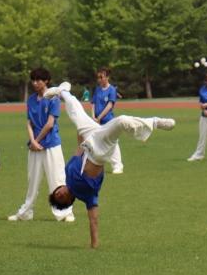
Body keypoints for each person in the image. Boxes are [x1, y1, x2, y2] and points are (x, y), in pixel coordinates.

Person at [45, 82, 175, 248]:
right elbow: (94, 220)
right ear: (69, 202)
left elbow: (78, 150)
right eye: (61, 197)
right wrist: (94, 244)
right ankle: (155, 122)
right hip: (100, 152)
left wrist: (81, 128)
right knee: (121, 121)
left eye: (58, 191)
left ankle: (62, 91)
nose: (61, 192)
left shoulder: (68, 173)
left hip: (89, 138)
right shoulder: (87, 196)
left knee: (75, 111)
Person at [8, 68, 75, 222]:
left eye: (38, 80)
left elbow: (50, 124)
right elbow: (29, 123)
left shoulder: (54, 99)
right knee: (33, 181)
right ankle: (25, 212)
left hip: (51, 145)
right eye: (33, 80)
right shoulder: (31, 99)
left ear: (46, 81)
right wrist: (32, 142)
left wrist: (36, 141)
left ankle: (65, 212)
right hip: (35, 146)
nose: (35, 83)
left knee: (57, 180)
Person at [91, 67, 124, 174]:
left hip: (107, 120)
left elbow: (110, 105)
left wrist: (99, 117)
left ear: (107, 77)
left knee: (112, 142)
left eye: (101, 77)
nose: (99, 79)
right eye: (98, 77)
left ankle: (117, 166)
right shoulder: (97, 89)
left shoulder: (112, 90)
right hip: (96, 122)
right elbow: (93, 103)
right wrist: (93, 117)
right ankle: (96, 166)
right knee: (96, 143)